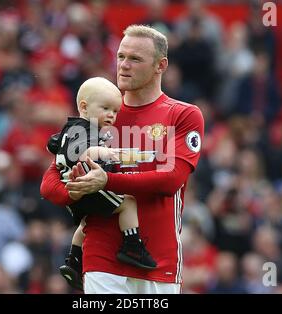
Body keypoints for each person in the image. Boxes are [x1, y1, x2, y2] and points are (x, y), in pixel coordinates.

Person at [40, 24, 204, 294]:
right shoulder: (101, 113)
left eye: (135, 59)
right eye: (121, 56)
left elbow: (171, 181)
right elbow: (50, 183)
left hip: (158, 260)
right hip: (102, 257)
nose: (124, 65)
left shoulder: (182, 114)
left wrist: (105, 181)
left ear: (160, 66)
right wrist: (74, 188)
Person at [46, 77, 157, 291]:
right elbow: (86, 153)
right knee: (128, 203)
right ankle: (132, 246)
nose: (111, 115)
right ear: (84, 107)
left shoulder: (70, 128)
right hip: (85, 185)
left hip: (70, 187)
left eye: (114, 111)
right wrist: (112, 154)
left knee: (86, 222)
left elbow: (53, 143)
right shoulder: (85, 131)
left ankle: (73, 260)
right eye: (105, 108)